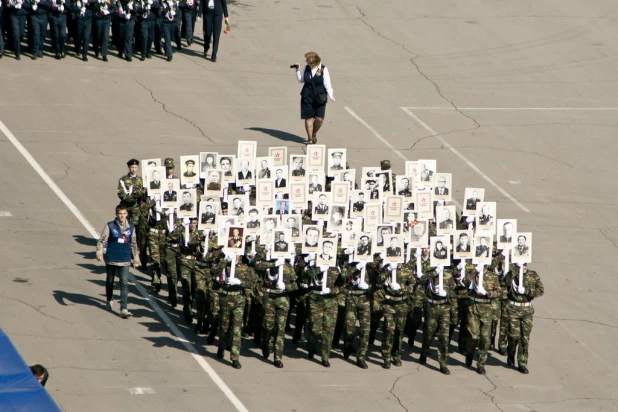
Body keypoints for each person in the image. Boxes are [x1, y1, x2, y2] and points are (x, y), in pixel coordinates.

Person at [96, 204, 141, 318]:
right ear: (116, 214)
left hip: (125, 259)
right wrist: (99, 253)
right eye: (120, 214)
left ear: (127, 214)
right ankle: (109, 299)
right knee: (110, 281)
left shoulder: (131, 227)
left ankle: (124, 308)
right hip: (111, 258)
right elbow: (102, 240)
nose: (122, 216)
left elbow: (134, 244)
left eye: (124, 214)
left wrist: (136, 259)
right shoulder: (110, 226)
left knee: (124, 283)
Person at [505, 263, 544, 374]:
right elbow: (505, 283)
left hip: (526, 310)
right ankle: (511, 353)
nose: (524, 266)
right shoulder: (512, 274)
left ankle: (522, 363)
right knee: (513, 336)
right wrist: (514, 271)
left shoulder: (533, 274)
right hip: (513, 308)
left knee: (525, 338)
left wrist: (527, 291)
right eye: (522, 264)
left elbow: (541, 290)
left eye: (525, 263)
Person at [463, 264, 501, 374]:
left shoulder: (493, 276)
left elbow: (498, 292)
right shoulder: (473, 273)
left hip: (487, 308)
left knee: (485, 338)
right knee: (473, 335)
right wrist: (475, 271)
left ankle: (481, 363)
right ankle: (469, 353)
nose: (483, 266)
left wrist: (487, 293)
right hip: (474, 307)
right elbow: (465, 282)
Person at [294, 51, 335, 144]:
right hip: (307, 96)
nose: (306, 61)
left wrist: (331, 95)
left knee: (319, 119)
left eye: (307, 59)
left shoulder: (323, 69)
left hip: (320, 97)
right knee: (308, 118)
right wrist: (298, 70)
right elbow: (301, 80)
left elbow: (327, 83)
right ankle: (310, 139)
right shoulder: (306, 68)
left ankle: (314, 133)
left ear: (312, 60)